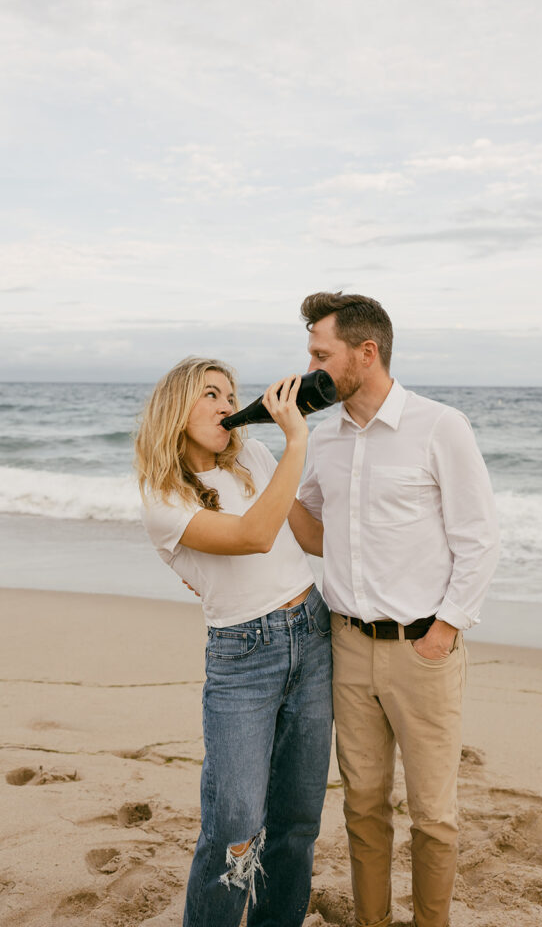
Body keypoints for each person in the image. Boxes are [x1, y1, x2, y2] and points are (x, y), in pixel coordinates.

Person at [297, 293, 500, 927]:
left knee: (434, 815)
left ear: (367, 352)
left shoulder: (441, 426)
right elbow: (309, 531)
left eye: (320, 354)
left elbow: (479, 538)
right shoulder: (324, 440)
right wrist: (257, 465)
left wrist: (444, 630)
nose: (310, 369)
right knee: (361, 805)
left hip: (423, 649)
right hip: (347, 645)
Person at [134, 357, 331, 927]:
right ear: (175, 410)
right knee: (235, 825)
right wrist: (298, 440)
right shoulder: (162, 496)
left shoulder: (250, 455)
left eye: (230, 395)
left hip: (312, 634)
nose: (228, 406)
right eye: (211, 395)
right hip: (244, 656)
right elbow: (254, 535)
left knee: (297, 819)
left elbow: (310, 536)